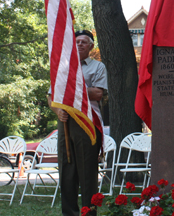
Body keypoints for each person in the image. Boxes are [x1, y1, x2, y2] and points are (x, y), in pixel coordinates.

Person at [47, 30, 108, 216]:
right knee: (67, 170)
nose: (80, 44)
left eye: (84, 42)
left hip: (87, 123)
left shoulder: (98, 67)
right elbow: (51, 96)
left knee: (87, 172)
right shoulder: (63, 68)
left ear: (90, 46)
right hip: (65, 121)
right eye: (77, 41)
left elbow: (98, 93)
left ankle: (88, 213)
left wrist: (71, 90)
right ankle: (70, 212)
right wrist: (57, 110)